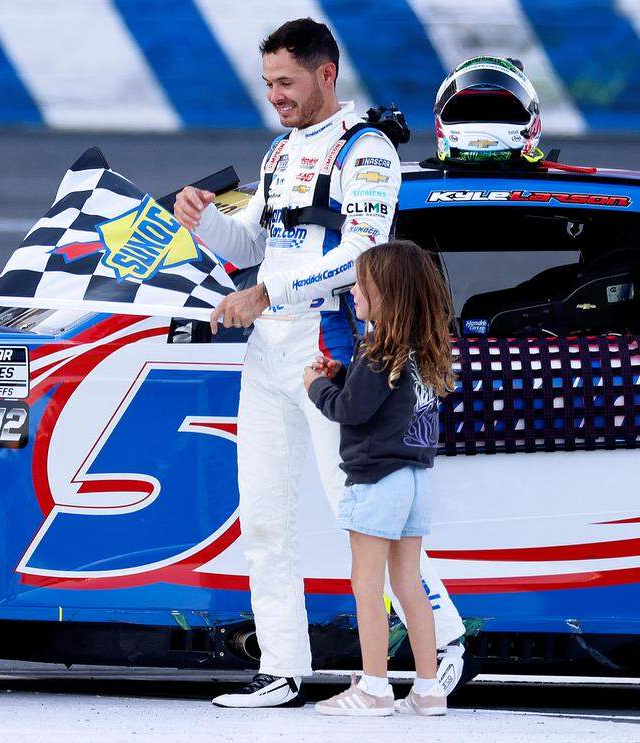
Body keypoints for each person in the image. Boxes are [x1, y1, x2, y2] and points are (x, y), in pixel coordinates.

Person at [172, 18, 466, 709]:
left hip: (330, 346)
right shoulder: (280, 150)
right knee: (264, 516)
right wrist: (202, 219)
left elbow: (363, 251)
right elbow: (252, 245)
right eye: (268, 82)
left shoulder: (367, 149)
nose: (274, 95)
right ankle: (281, 666)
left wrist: (267, 292)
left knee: (366, 513)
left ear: (325, 74)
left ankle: (446, 642)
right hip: (267, 347)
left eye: (286, 82)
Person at [305, 241, 454, 717]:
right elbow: (380, 400)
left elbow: (349, 410)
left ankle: (374, 688)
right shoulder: (421, 352)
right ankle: (428, 689)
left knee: (366, 584)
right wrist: (342, 375)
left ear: (385, 293)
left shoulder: (378, 350)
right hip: (414, 479)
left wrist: (317, 386)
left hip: (376, 479)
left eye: (361, 285)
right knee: (408, 583)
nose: (352, 292)